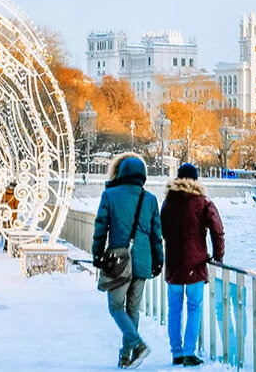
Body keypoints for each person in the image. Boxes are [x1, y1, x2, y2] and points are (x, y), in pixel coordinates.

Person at [92, 152, 163, 369]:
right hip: (142, 260)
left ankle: (137, 345)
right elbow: (155, 234)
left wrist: (97, 253)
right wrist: (158, 260)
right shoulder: (150, 199)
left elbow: (100, 227)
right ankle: (126, 356)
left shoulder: (110, 195)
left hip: (118, 261)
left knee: (115, 307)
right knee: (132, 309)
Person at [161, 163, 225, 367]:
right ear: (196, 180)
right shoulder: (203, 202)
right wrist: (218, 256)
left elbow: (161, 228)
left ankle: (176, 352)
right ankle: (189, 351)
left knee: (174, 308)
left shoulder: (168, 201)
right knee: (194, 307)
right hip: (196, 263)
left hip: (173, 262)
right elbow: (217, 231)